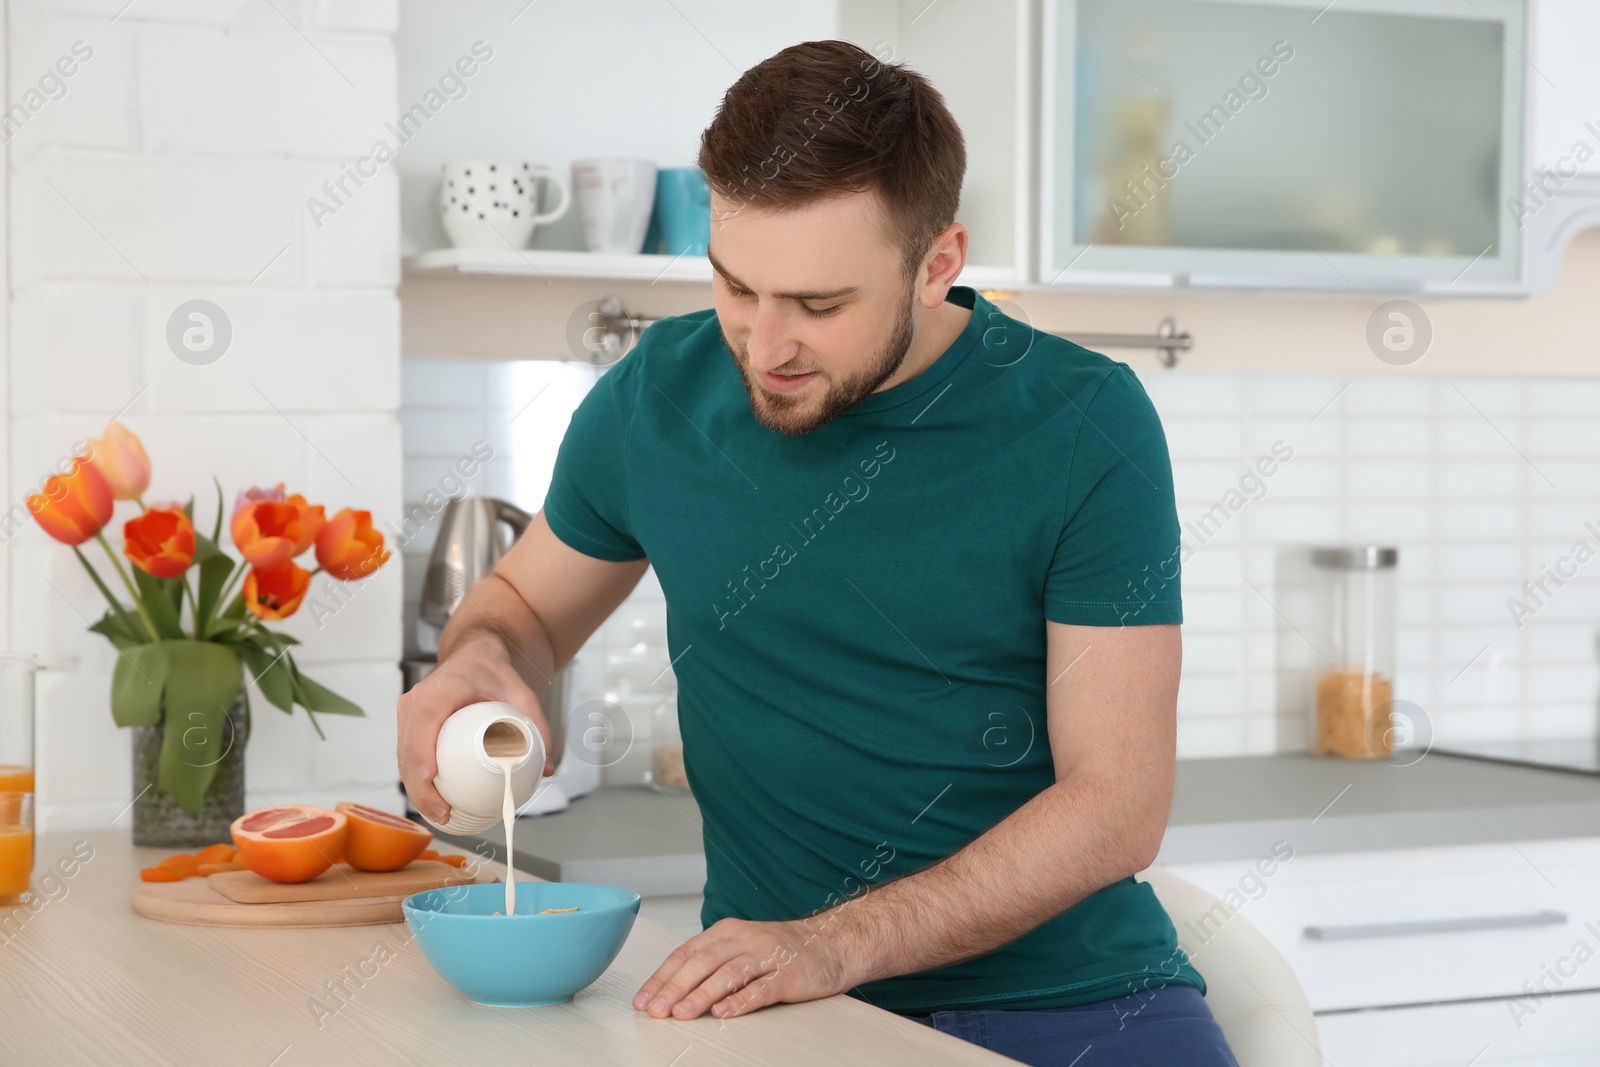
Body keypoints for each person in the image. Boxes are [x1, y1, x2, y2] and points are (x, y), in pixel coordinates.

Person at [398, 38, 1237, 1067]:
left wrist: (834, 943)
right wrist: (479, 662)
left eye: (820, 304)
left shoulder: (1082, 421)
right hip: (776, 1011)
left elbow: (1116, 805)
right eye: (735, 285)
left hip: (1068, 1001)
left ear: (937, 265)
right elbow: (523, 614)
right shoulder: (655, 395)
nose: (763, 342)